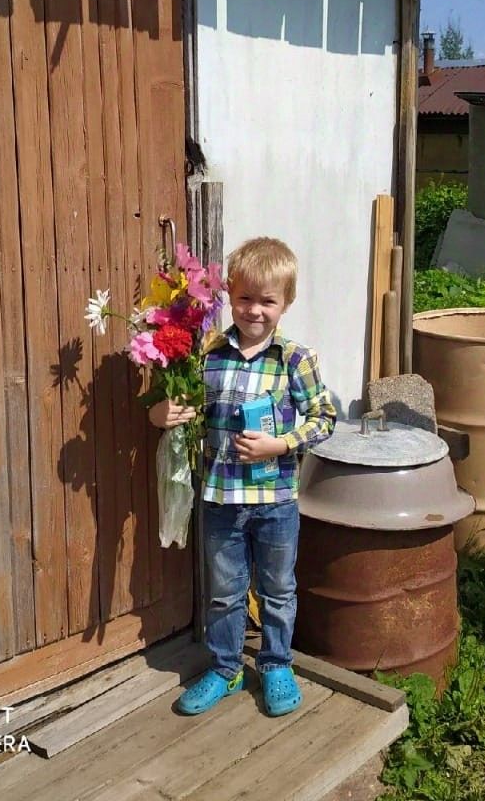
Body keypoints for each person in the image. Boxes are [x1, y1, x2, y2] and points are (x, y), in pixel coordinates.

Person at [150, 237, 336, 718]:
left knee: (277, 590)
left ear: (286, 303)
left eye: (268, 301)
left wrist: (282, 443)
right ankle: (226, 668)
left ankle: (276, 664)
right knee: (224, 592)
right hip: (221, 498)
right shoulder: (208, 354)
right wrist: (161, 414)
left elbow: (324, 418)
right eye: (245, 298)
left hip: (275, 499)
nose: (255, 311)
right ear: (231, 295)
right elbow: (185, 412)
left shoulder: (296, 359)